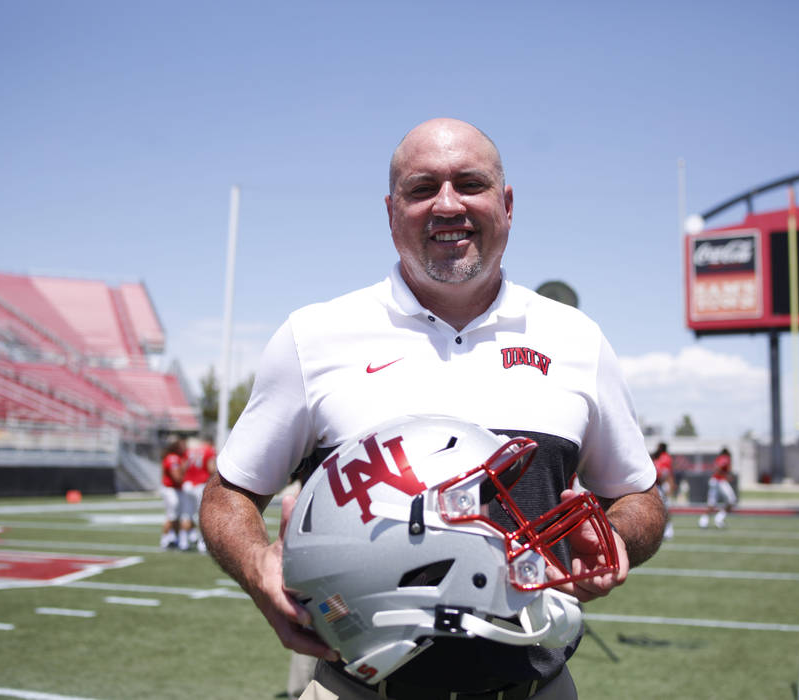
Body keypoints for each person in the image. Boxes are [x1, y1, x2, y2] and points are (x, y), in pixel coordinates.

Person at [200, 117, 667, 700]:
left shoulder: (576, 339)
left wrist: (617, 534)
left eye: (470, 184)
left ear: (508, 203)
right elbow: (228, 494)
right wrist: (255, 565)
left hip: (533, 687)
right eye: (422, 189)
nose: (448, 205)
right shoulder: (313, 337)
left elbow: (639, 495)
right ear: (392, 211)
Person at [182, 435, 217, 552]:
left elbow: (184, 466)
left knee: (187, 514)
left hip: (187, 484)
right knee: (202, 515)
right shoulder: (209, 450)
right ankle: (202, 544)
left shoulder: (191, 450)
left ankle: (183, 542)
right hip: (200, 484)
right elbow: (211, 468)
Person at [159, 437, 186, 550]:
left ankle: (174, 538)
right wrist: (186, 480)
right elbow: (176, 476)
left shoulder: (175, 457)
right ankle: (165, 539)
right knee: (172, 515)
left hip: (173, 489)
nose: (184, 447)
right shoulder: (173, 458)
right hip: (171, 489)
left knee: (176, 516)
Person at [699, 447, 737, 529]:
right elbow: (719, 468)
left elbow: (717, 468)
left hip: (715, 481)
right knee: (732, 500)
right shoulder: (725, 458)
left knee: (711, 504)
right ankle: (718, 519)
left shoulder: (719, 458)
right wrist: (726, 475)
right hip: (720, 481)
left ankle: (704, 521)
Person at [651, 442, 675, 539]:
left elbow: (666, 473)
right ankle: (662, 530)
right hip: (656, 484)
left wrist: (669, 485)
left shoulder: (665, 457)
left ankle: (668, 530)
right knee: (657, 508)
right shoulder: (657, 457)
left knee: (665, 508)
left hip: (662, 485)